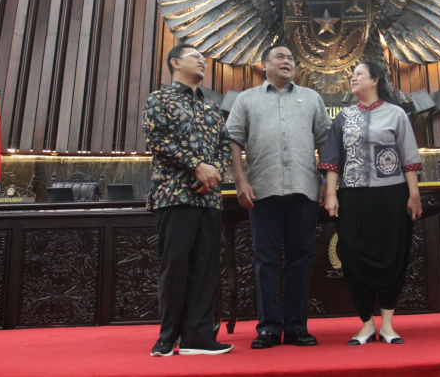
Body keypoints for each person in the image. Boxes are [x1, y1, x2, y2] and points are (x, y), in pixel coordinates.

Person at [226, 43, 332, 349]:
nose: (287, 62)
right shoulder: (247, 99)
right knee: (266, 259)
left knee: (302, 259)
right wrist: (240, 181)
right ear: (264, 66)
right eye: (280, 57)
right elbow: (233, 140)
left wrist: (326, 180)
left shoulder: (311, 98)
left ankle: (297, 327)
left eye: (291, 59)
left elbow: (325, 141)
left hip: (304, 189)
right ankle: (269, 328)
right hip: (262, 191)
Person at [320, 61, 423, 345]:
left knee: (393, 255)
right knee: (352, 256)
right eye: (351, 76)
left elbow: (410, 158)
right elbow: (332, 160)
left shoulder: (396, 114)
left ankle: (388, 324)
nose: (353, 79)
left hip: (392, 195)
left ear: (375, 79)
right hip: (352, 196)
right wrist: (331, 194)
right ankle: (366, 323)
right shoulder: (342, 118)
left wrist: (413, 195)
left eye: (358, 75)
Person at [143, 45, 233, 356]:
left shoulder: (211, 107)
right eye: (195, 55)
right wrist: (196, 164)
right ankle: (167, 337)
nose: (202, 60)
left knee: (205, 269)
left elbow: (224, 146)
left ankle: (198, 336)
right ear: (175, 62)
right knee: (175, 266)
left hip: (208, 198)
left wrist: (215, 171)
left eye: (204, 57)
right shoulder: (160, 98)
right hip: (174, 195)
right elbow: (156, 139)